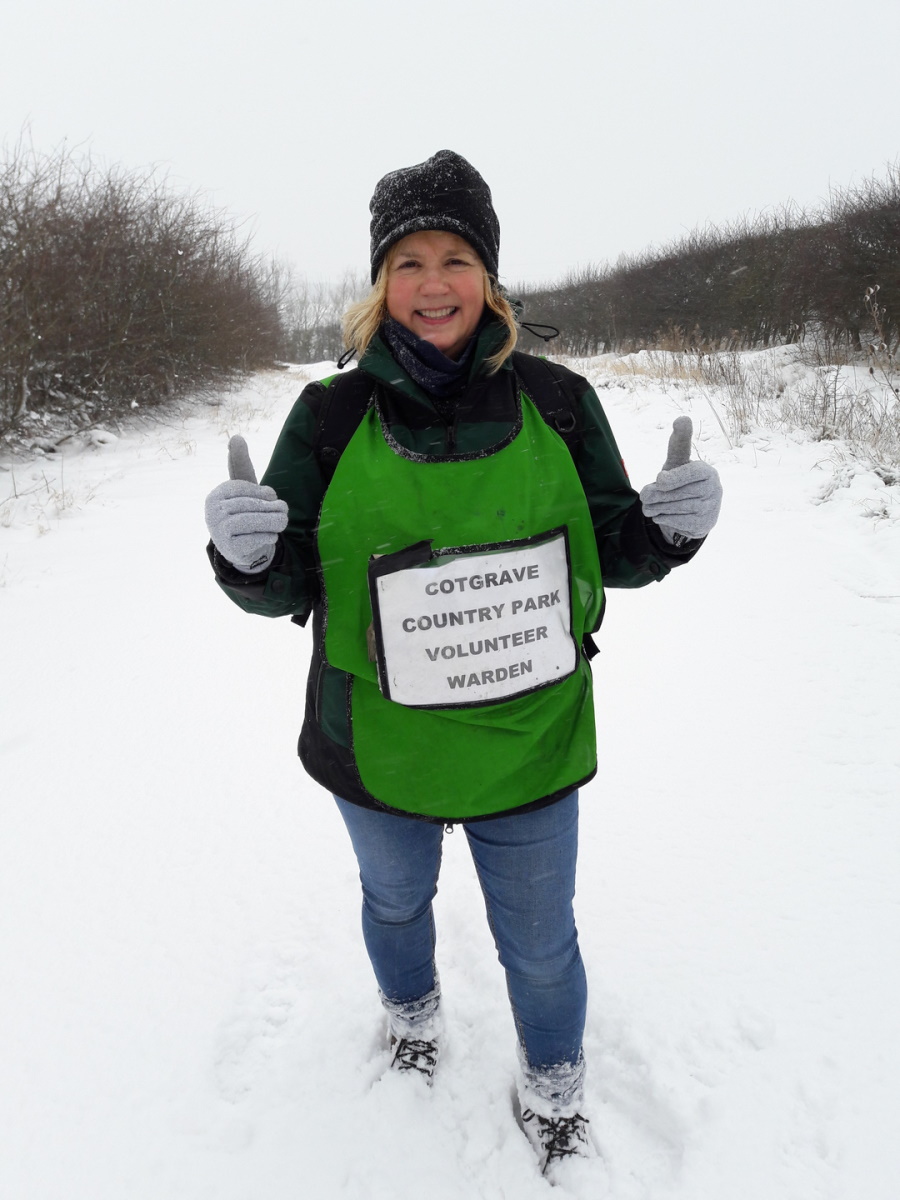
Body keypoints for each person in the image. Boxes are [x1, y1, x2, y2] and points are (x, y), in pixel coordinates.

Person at [204, 150, 722, 1177]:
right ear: (378, 284)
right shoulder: (332, 415)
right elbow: (289, 583)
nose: (432, 284)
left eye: (454, 258)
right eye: (407, 262)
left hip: (526, 744)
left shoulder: (561, 402)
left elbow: (610, 549)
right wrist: (247, 556)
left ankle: (556, 1085)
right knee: (395, 903)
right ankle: (411, 1015)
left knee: (537, 941)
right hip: (374, 745)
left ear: (488, 276)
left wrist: (666, 534)